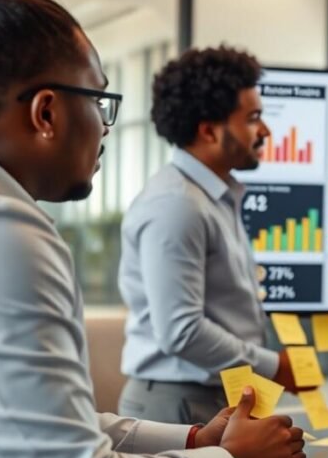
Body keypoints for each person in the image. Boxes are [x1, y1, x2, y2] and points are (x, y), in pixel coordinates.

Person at [0, 0, 304, 458]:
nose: (104, 127)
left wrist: (195, 441)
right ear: (47, 113)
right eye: (99, 100)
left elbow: (31, 423)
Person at [118, 47, 301, 424]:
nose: (264, 131)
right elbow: (181, 331)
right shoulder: (177, 206)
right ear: (208, 131)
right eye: (253, 119)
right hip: (177, 405)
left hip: (210, 396)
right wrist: (274, 367)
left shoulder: (213, 197)